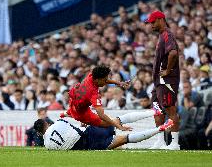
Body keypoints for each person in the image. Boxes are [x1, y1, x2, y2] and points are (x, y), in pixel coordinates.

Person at [34, 110, 174, 150]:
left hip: (90, 146)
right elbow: (79, 125)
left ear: (40, 133)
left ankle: (160, 129)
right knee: (118, 120)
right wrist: (67, 114)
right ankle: (154, 112)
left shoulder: (48, 145)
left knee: (126, 139)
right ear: (46, 122)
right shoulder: (58, 122)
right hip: (91, 133)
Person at [145, 11, 180, 150]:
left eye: (153, 22)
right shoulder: (162, 35)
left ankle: (175, 143)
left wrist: (167, 70)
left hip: (167, 80)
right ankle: (160, 141)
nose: (151, 25)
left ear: (161, 19)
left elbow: (173, 53)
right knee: (157, 109)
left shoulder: (167, 34)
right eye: (150, 23)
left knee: (170, 109)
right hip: (158, 81)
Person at [60, 65, 131, 131]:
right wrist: (118, 126)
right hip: (81, 114)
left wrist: (119, 83)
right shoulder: (93, 93)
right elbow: (101, 115)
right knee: (107, 124)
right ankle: (76, 118)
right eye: (104, 80)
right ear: (97, 80)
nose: (106, 82)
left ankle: (68, 113)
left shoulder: (91, 75)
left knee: (76, 109)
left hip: (74, 101)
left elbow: (105, 79)